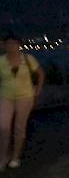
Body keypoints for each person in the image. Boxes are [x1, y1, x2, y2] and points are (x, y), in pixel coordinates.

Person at [0, 33, 44, 170]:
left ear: (19, 45)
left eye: (14, 44)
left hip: (25, 97)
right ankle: (3, 156)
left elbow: (40, 73)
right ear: (4, 45)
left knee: (19, 128)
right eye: (8, 44)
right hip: (6, 96)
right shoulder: (1, 61)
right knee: (4, 128)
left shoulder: (28, 58)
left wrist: (38, 90)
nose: (11, 47)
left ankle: (15, 157)